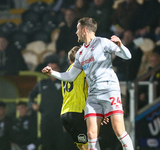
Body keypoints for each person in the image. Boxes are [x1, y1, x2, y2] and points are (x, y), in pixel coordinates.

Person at [42, 17, 134, 150]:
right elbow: (70, 76)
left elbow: (127, 56)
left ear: (84, 30)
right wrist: (52, 73)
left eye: (78, 29)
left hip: (109, 89)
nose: (76, 32)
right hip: (93, 94)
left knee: (119, 130)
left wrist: (121, 46)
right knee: (90, 134)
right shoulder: (80, 53)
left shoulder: (103, 42)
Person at [29, 61, 75, 150]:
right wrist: (32, 104)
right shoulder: (42, 83)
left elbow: (72, 102)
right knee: (46, 144)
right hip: (46, 120)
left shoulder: (65, 82)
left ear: (59, 70)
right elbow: (31, 95)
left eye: (55, 68)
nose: (52, 71)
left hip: (60, 121)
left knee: (61, 145)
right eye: (50, 68)